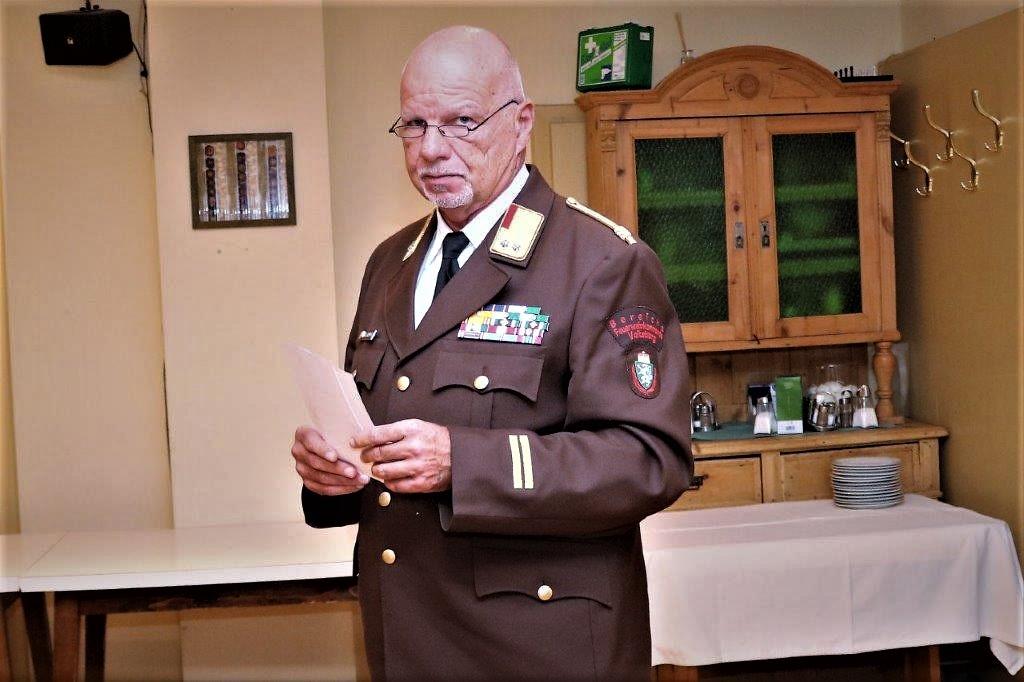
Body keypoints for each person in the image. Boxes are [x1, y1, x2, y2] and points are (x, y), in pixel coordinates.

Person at [292, 25, 693, 680]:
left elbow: (650, 460)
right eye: (414, 125)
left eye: (462, 122)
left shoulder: (600, 261)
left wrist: (465, 463)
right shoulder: (390, 263)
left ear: (521, 122)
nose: (431, 149)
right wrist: (334, 472)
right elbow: (381, 431)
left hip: (537, 649)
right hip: (408, 641)